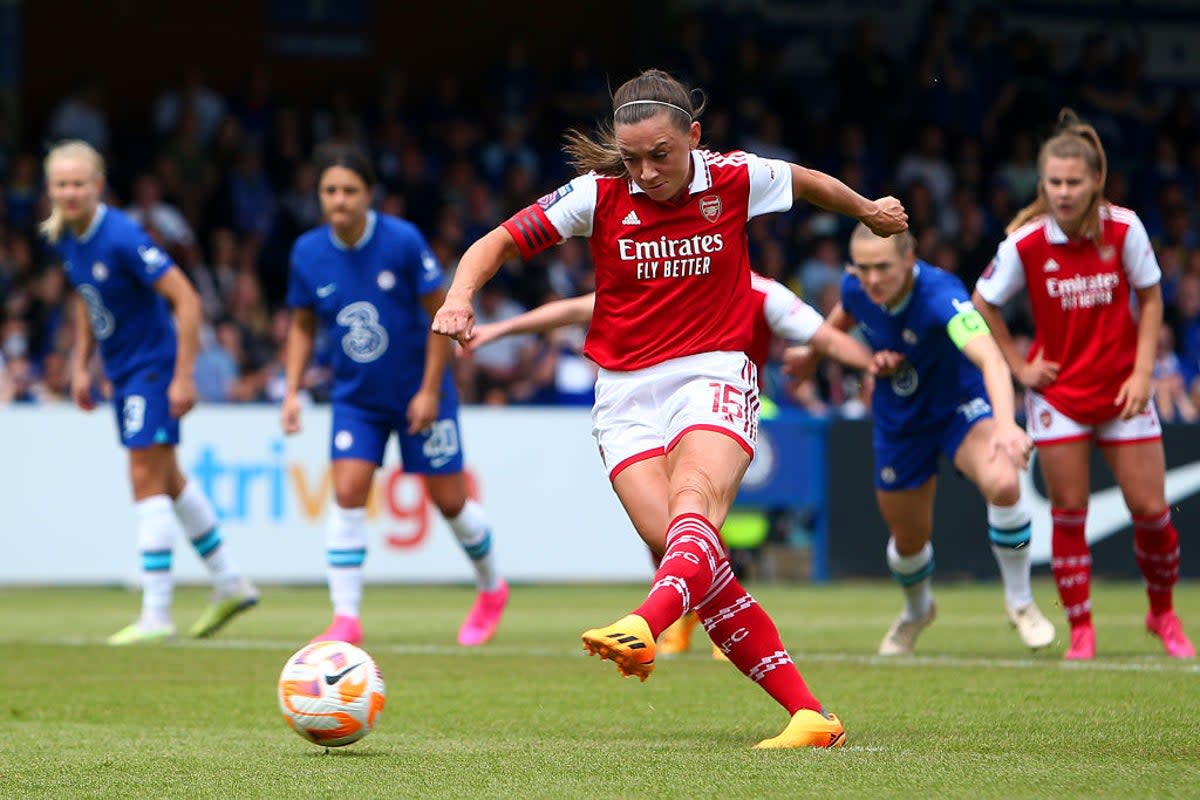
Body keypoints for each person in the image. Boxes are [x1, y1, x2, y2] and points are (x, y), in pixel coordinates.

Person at [432, 68, 907, 749]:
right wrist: (460, 295)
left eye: (661, 155)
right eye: (633, 159)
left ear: (694, 136)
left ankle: (645, 623)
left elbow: (806, 181)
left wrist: (865, 209)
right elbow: (498, 241)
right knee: (688, 556)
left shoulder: (735, 179)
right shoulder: (595, 197)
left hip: (712, 366)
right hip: (623, 390)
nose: (647, 172)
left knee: (695, 503)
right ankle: (810, 716)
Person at [465, 271, 883, 659]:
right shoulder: (665, 274)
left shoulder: (762, 292)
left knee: (695, 516)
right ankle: (697, 618)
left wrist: (871, 363)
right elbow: (581, 307)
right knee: (667, 531)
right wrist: (502, 328)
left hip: (718, 411)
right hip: (654, 416)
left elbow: (825, 337)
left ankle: (693, 621)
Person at [972, 109, 1195, 660]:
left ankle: (1162, 613)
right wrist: (1021, 368)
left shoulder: (1125, 227)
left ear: (1096, 181)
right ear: (1042, 183)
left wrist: (1145, 372)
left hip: (1122, 391)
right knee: (1068, 511)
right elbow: (982, 303)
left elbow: (1150, 297)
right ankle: (1081, 628)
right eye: (1054, 183)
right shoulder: (1025, 243)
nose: (1064, 193)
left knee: (1153, 512)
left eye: (1074, 182)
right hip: (1060, 395)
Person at [281, 143, 509, 648]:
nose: (339, 200)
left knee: (449, 502)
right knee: (346, 493)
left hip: (419, 393)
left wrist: (430, 390)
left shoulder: (402, 242)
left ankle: (492, 589)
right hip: (355, 398)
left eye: (349, 190)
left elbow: (441, 319)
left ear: (369, 195)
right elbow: (301, 326)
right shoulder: (307, 252)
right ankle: (346, 618)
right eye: (329, 191)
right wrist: (292, 391)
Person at [793, 225, 1057, 656]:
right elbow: (841, 319)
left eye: (883, 267)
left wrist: (1008, 424)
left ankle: (1021, 603)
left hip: (960, 410)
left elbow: (989, 356)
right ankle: (918, 611)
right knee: (908, 540)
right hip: (900, 421)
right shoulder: (858, 288)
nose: (872, 279)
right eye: (862, 268)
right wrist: (811, 356)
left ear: (909, 259)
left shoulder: (940, 295)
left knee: (1004, 482)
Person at [41, 140, 258, 645]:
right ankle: (230, 582)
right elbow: (85, 299)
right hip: (124, 370)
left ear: (97, 186)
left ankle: (156, 612)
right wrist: (81, 364)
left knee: (144, 478)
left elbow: (186, 299)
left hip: (152, 368)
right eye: (61, 184)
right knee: (170, 479)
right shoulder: (67, 236)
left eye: (78, 183)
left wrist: (183, 375)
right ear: (51, 190)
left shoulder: (121, 236)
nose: (69, 192)